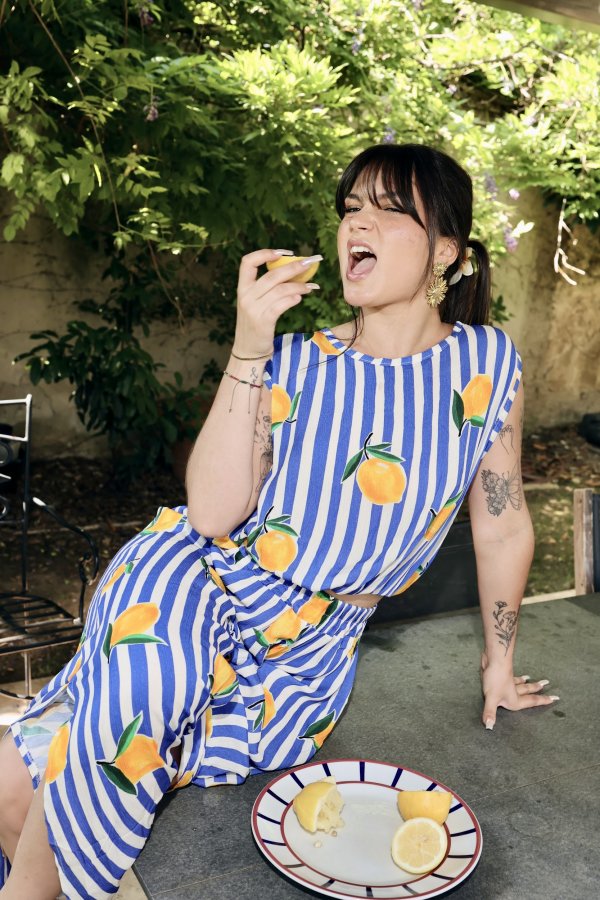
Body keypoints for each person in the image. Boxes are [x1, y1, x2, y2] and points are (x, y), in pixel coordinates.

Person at [0, 143, 557, 899]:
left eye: (389, 210)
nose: (358, 223)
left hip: (307, 653)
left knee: (16, 782)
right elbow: (211, 513)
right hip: (201, 582)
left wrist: (498, 664)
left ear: (446, 251)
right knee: (144, 689)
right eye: (351, 208)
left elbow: (503, 522)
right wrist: (248, 345)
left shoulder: (485, 365)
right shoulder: (292, 359)